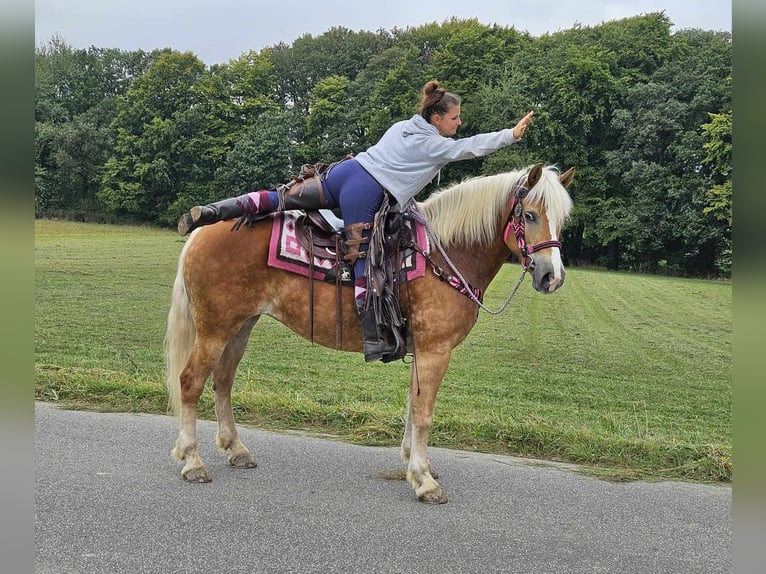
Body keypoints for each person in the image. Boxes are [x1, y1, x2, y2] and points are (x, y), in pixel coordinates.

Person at [177, 80, 534, 362]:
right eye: (455, 118)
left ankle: (212, 212)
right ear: (437, 119)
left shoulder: (403, 127)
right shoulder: (434, 144)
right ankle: (373, 335)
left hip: (345, 173)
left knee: (280, 198)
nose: (459, 123)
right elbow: (469, 148)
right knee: (362, 259)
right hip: (366, 192)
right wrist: (511, 136)